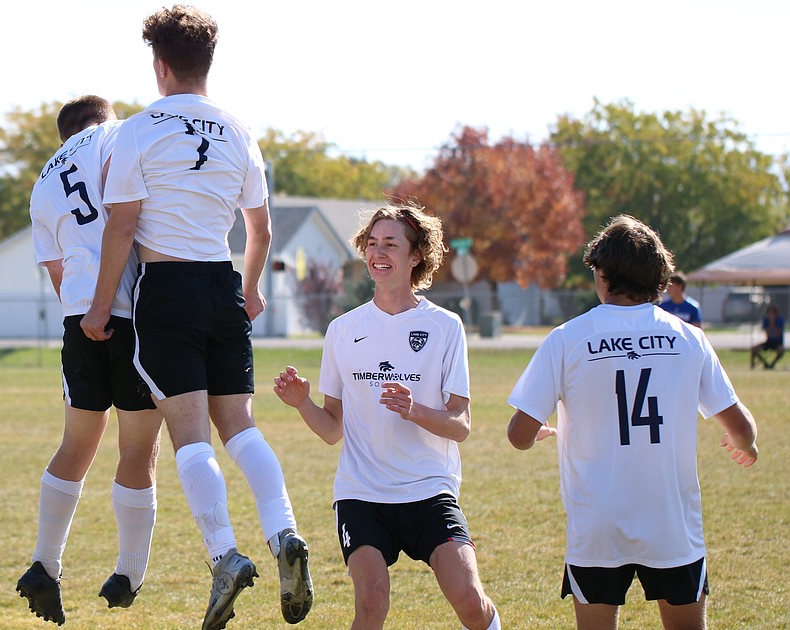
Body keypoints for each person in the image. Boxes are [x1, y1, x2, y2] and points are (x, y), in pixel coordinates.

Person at [80, 6, 312, 628]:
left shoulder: (136, 130)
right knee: (242, 426)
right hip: (221, 283)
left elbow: (121, 227)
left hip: (168, 289)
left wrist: (100, 307)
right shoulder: (239, 131)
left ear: (159, 65)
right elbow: (259, 228)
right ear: (208, 63)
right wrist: (252, 288)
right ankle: (284, 533)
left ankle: (225, 556)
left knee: (189, 436)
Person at [507, 215, 759, 630]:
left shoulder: (568, 337)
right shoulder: (687, 338)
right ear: (659, 279)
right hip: (671, 523)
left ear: (602, 274)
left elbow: (518, 435)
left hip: (597, 525)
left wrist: (537, 432)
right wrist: (745, 444)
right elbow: (741, 427)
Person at [273, 203, 500, 630]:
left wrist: (414, 410)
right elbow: (332, 430)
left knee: (470, 601)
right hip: (362, 494)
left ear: (416, 256)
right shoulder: (343, 329)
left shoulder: (445, 327)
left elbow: (461, 425)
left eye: (391, 244)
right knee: (371, 602)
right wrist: (303, 402)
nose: (379, 252)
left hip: (430, 490)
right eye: (372, 243)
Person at [15, 95, 164, 625]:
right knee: (139, 448)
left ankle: (44, 563)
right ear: (105, 118)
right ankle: (129, 571)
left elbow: (56, 272)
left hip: (78, 320)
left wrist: (88, 310)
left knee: (76, 444)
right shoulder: (116, 135)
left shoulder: (42, 184)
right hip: (129, 313)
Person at [750, 305, 784, 369]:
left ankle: (772, 364)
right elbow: (767, 334)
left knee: (781, 350)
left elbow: (778, 334)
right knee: (754, 349)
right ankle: (763, 364)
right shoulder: (766, 321)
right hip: (769, 342)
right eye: (769, 314)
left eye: (772, 314)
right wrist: (771, 324)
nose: (770, 316)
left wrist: (773, 324)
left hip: (777, 342)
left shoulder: (780, 320)